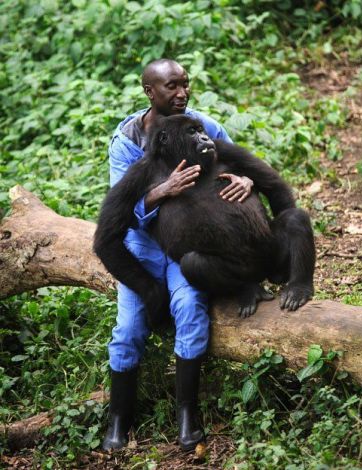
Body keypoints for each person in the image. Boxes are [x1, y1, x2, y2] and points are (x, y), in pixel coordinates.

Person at [103, 59, 253, 452]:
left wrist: (245, 178)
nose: (182, 93)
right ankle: (119, 419)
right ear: (149, 93)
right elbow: (121, 214)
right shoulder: (126, 142)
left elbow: (240, 163)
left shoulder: (201, 124)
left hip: (188, 245)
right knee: (128, 330)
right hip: (145, 246)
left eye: (185, 84)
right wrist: (161, 190)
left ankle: (187, 413)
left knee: (190, 310)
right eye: (171, 86)